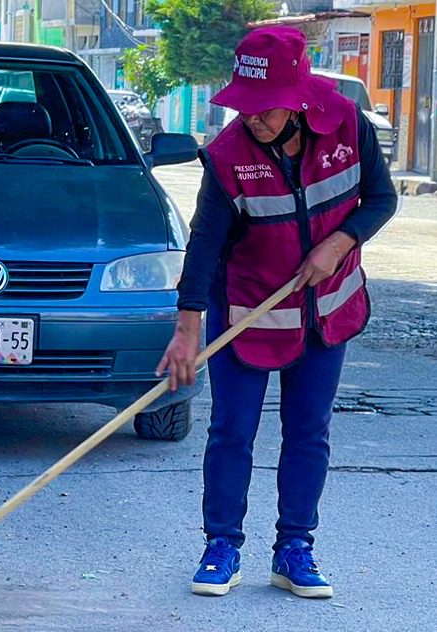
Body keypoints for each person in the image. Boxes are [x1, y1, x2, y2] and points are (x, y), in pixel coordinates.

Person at [156, 27, 396, 599]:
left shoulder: (347, 127)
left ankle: (295, 550)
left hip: (327, 311)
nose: (251, 119)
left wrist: (340, 243)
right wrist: (187, 331)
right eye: (243, 105)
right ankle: (221, 546)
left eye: (262, 109)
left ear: (297, 99)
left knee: (308, 432)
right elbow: (205, 247)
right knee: (232, 431)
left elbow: (382, 199)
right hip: (247, 310)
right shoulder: (227, 157)